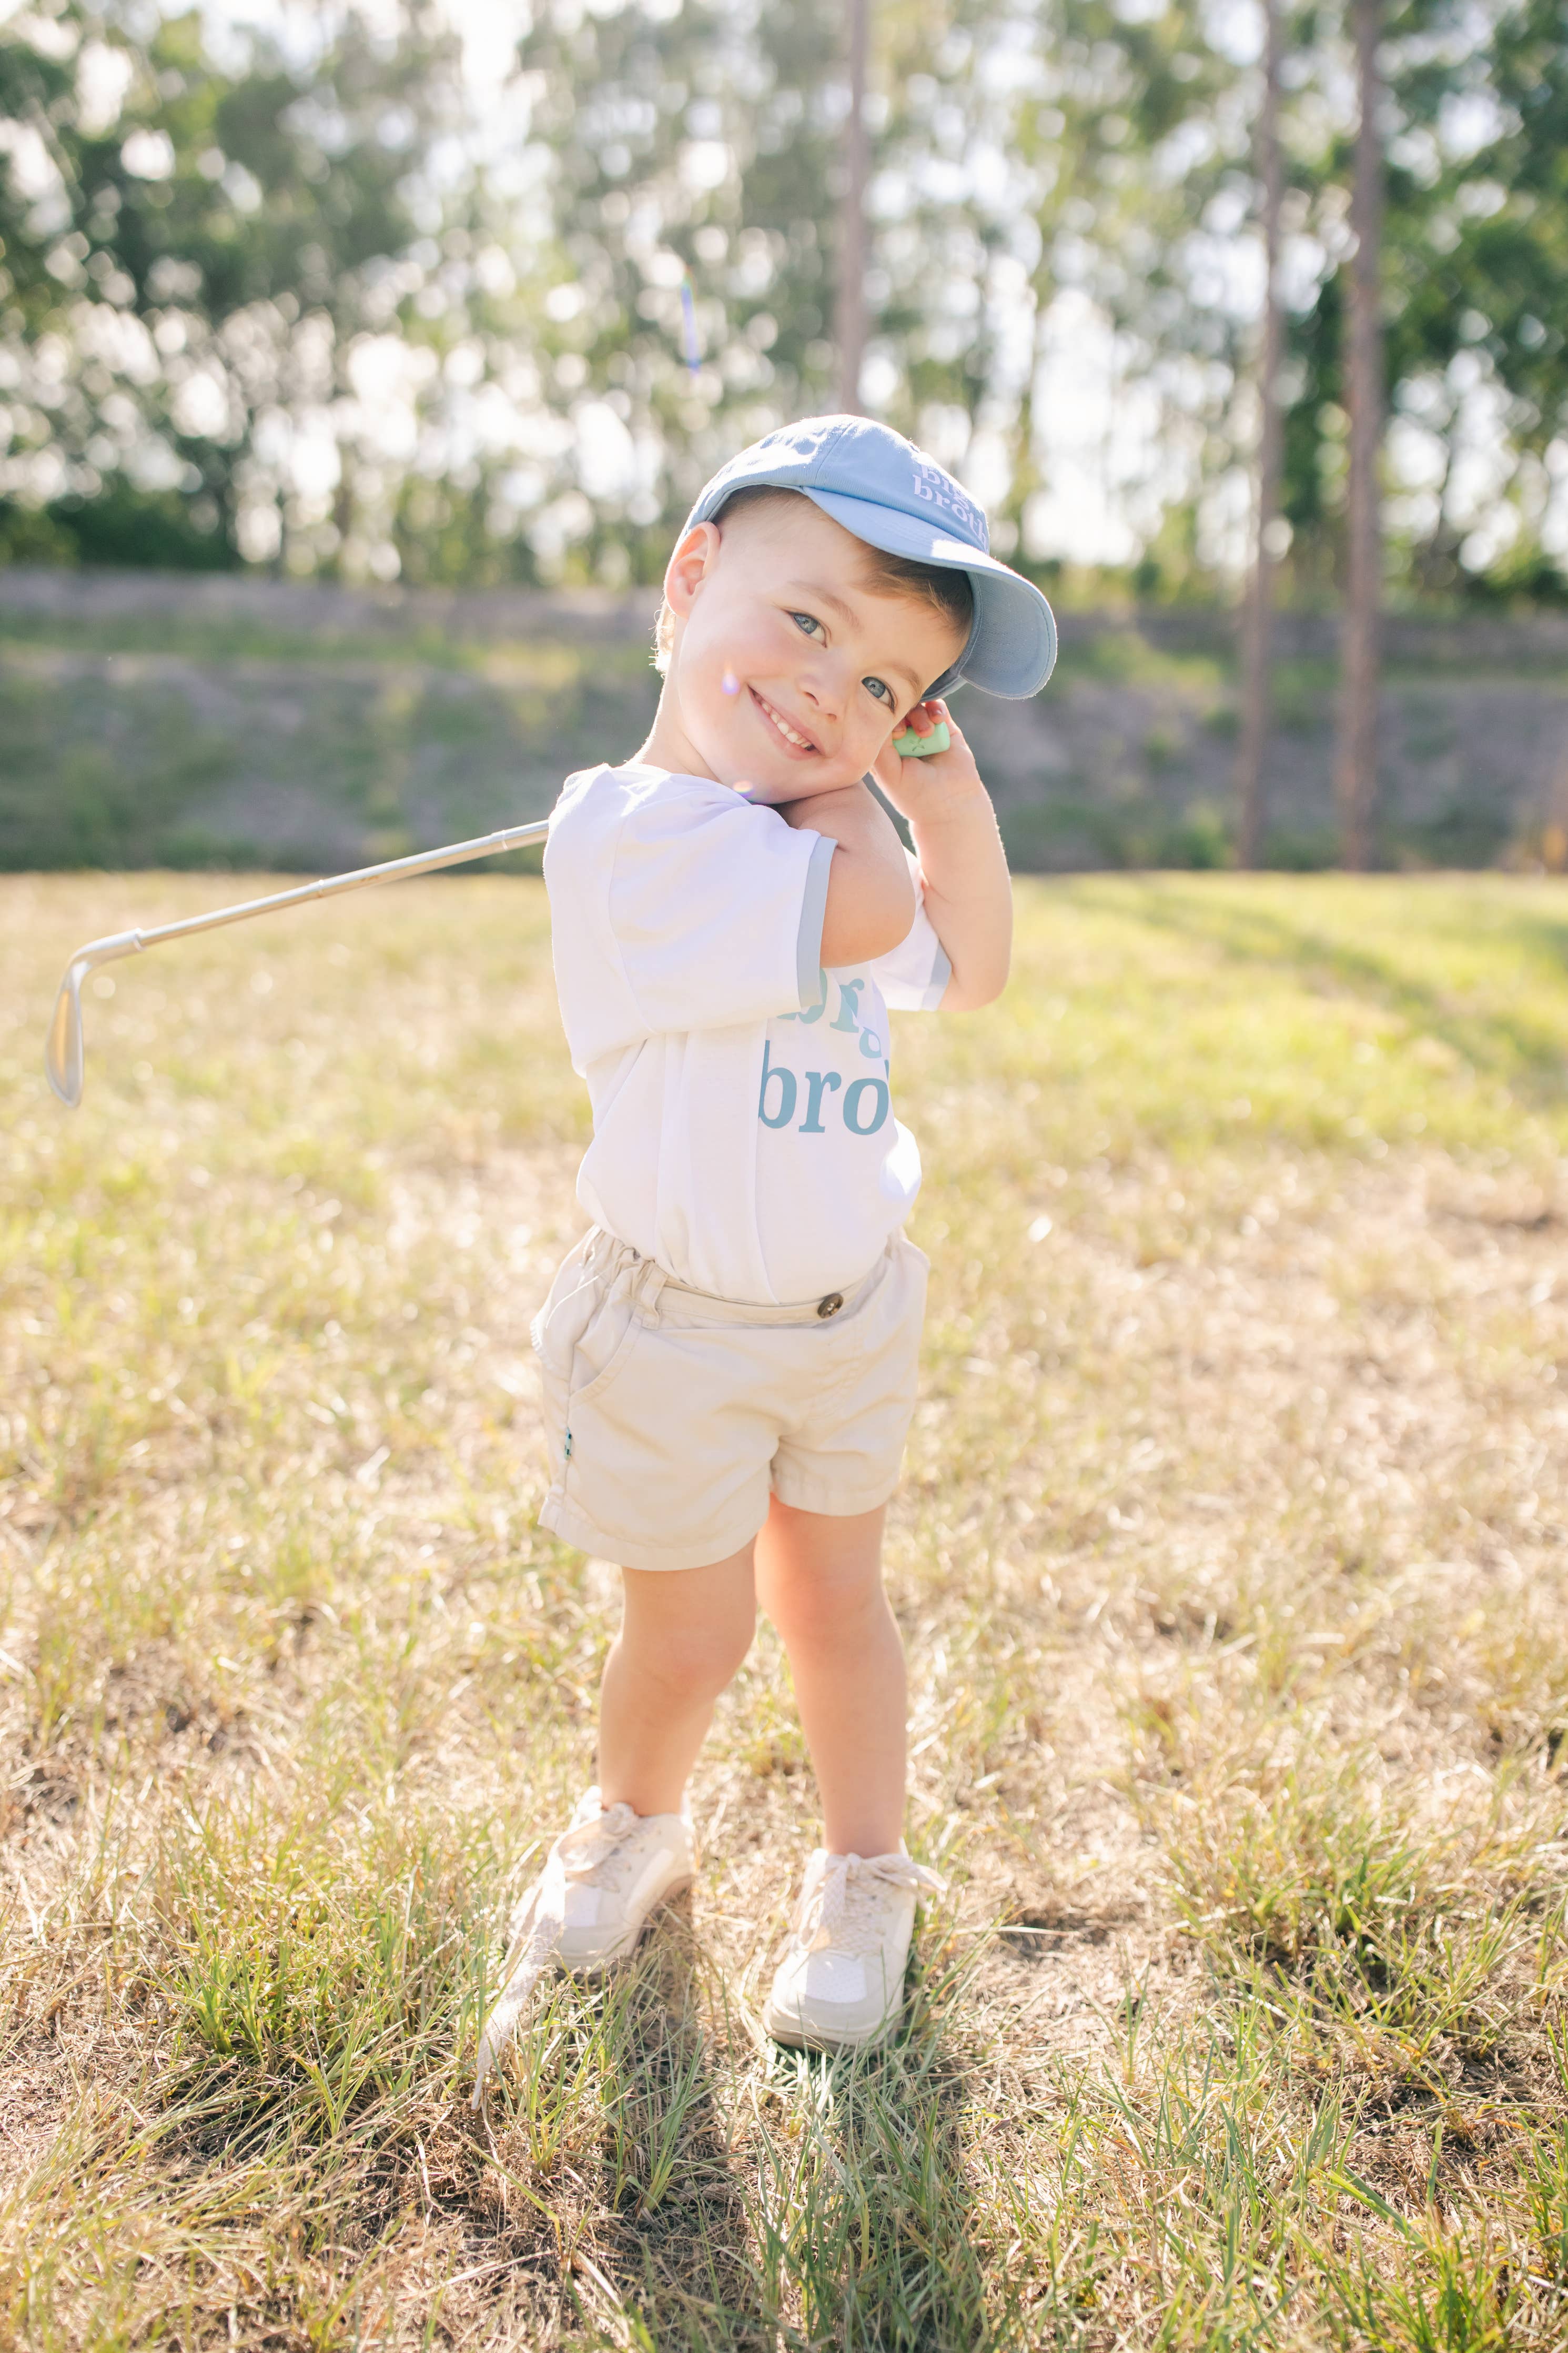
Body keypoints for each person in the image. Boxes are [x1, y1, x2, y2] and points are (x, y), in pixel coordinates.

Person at [472, 415, 1056, 2096]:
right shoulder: (633, 830)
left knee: (839, 1611)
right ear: (689, 578)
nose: (829, 701)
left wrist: (939, 779)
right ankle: (633, 1826)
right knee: (692, 1632)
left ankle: (865, 1876)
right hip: (675, 1329)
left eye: (889, 688)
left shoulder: (830, 817)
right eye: (808, 626)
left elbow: (978, 955)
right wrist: (867, 779)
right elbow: (876, 918)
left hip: (845, 1311)